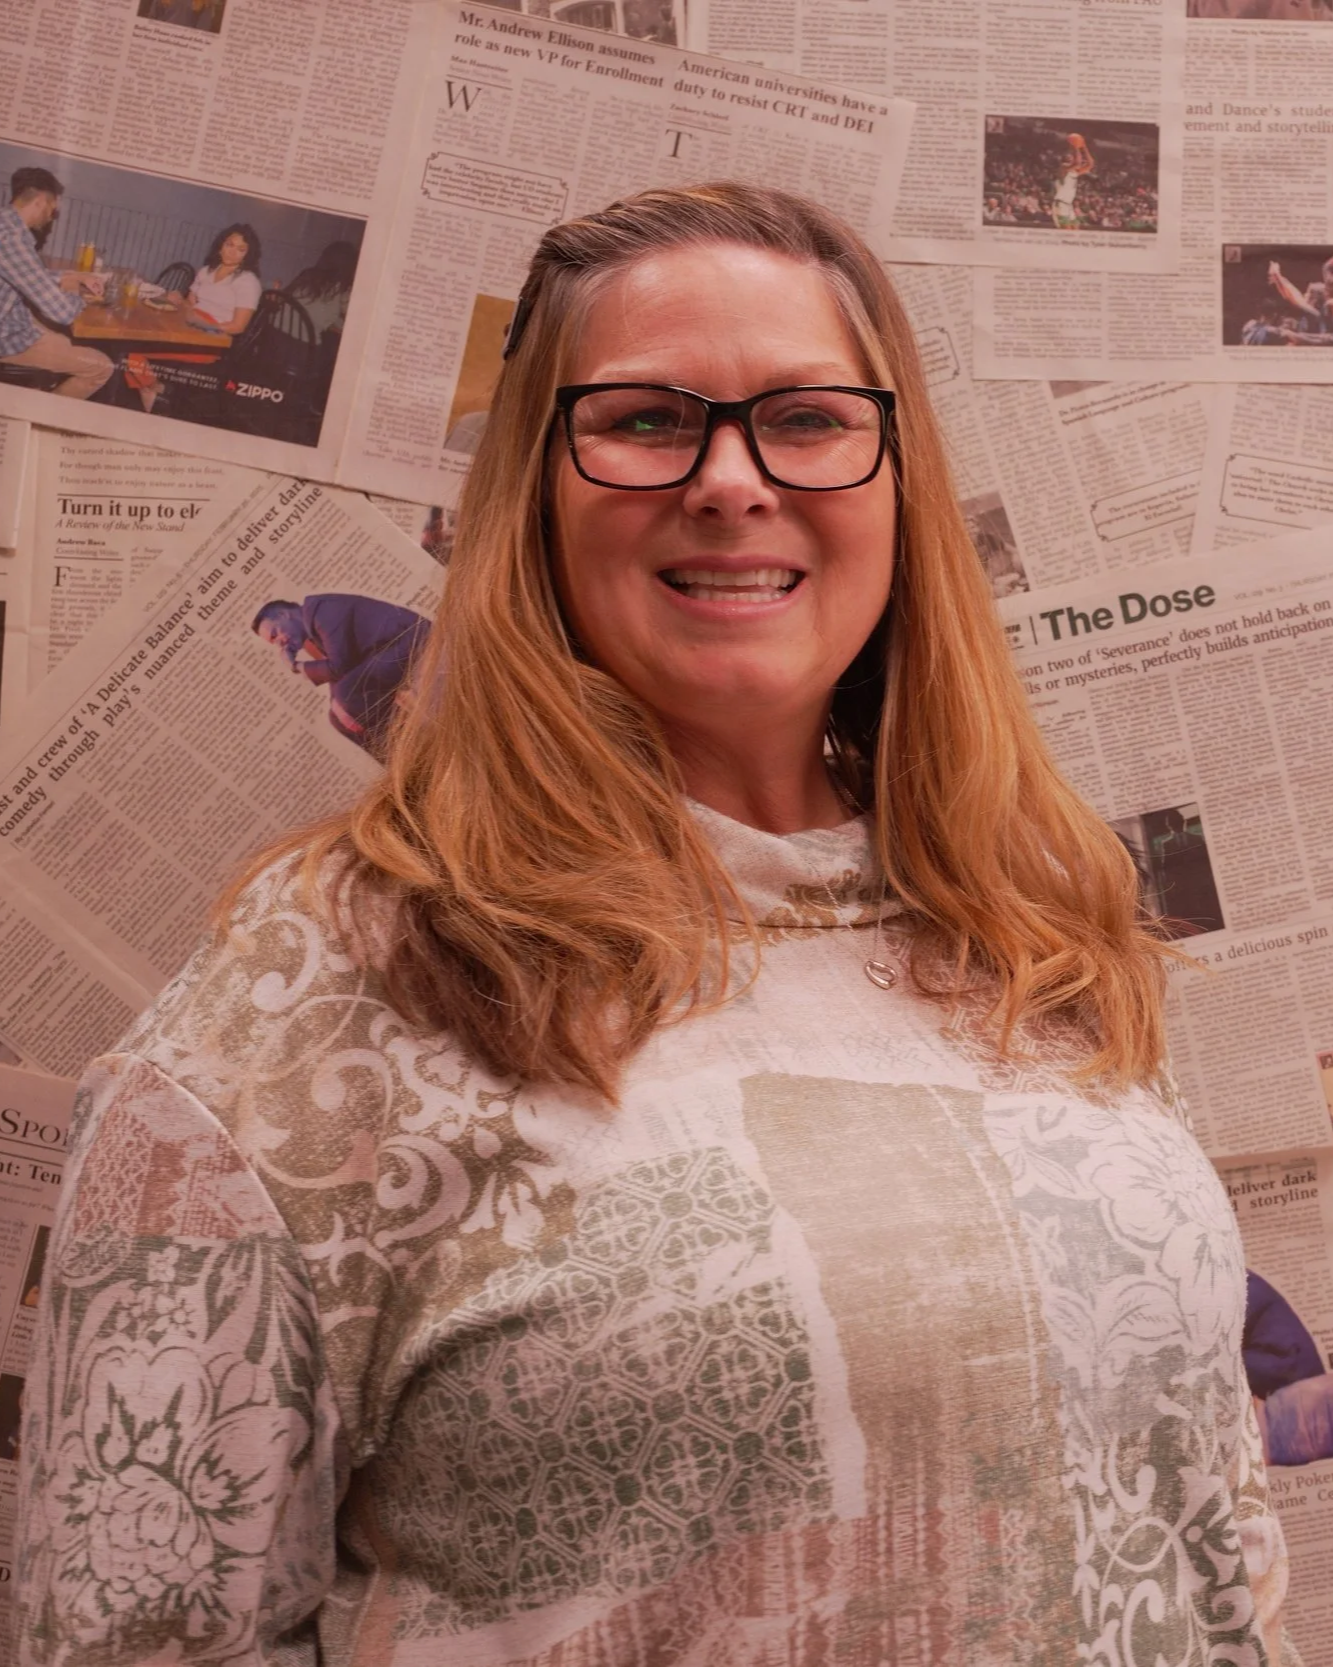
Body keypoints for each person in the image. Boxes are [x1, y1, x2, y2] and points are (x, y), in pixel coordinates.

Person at [17, 183, 1297, 1666]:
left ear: (897, 482)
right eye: (642, 420)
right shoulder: (317, 996)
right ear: (533, 498)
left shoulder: (1027, 930)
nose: (731, 479)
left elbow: (1217, 1548)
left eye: (807, 417)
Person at [251, 593, 432, 760]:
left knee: (349, 693)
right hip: (386, 653)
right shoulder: (314, 631)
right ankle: (403, 767)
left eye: (275, 634)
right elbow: (341, 674)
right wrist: (336, 708)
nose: (280, 644)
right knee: (336, 719)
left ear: (284, 615)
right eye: (273, 642)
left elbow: (341, 667)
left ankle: (419, 748)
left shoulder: (321, 611)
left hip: (410, 641)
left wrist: (297, 666)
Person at [0, 167, 111, 399]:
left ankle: (40, 391)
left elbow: (23, 275)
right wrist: (80, 296)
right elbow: (62, 312)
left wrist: (72, 277)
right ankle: (42, 418)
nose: (52, 216)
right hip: (5, 337)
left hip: (11, 320)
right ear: (40, 202)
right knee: (102, 366)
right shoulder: (10, 240)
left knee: (61, 340)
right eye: (53, 209)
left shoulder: (7, 226)